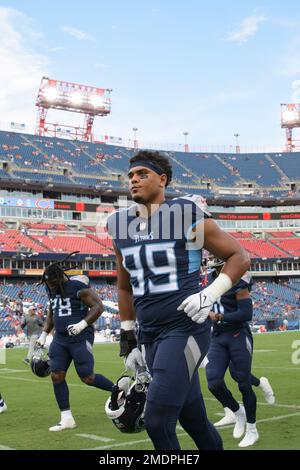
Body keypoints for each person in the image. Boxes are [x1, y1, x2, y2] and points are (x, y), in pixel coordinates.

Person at [107, 150, 250, 450]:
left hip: (184, 328)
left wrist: (210, 294)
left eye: (142, 174)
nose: (133, 180)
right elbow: (124, 287)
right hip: (149, 334)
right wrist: (128, 337)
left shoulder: (183, 215)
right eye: (131, 175)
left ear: (163, 180)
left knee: (156, 421)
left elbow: (238, 256)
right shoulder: (119, 225)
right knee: (194, 419)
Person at [36, 255, 114, 431]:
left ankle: (118, 391)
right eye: (49, 284)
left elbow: (98, 306)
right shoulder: (51, 289)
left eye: (54, 283)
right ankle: (66, 418)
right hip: (60, 339)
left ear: (61, 277)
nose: (52, 286)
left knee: (87, 377)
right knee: (56, 375)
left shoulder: (77, 287)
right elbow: (52, 311)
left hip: (80, 337)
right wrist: (43, 334)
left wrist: (81, 324)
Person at [205, 259, 274, 447]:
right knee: (214, 382)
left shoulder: (238, 282)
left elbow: (246, 313)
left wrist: (219, 316)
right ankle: (238, 412)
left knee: (242, 382)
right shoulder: (208, 279)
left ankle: (252, 429)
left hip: (237, 334)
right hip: (218, 336)